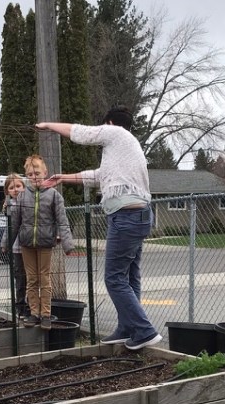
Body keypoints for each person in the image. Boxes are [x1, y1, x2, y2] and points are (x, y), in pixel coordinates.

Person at [37, 106, 162, 350]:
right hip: (138, 215)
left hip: (126, 217)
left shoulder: (115, 133)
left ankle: (144, 330)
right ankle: (128, 328)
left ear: (110, 123)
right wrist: (63, 177)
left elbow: (81, 133)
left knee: (114, 278)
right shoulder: (127, 148)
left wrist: (48, 125)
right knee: (129, 276)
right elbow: (98, 176)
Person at [9, 154, 74, 331]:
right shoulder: (22, 197)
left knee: (44, 279)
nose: (34, 177)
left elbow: (62, 221)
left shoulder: (54, 196)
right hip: (26, 244)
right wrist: (6, 242)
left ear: (45, 173)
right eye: (30, 174)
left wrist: (67, 243)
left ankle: (45, 314)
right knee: (31, 279)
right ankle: (34, 313)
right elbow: (14, 222)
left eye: (37, 173)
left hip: (45, 243)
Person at [0, 173, 30, 319]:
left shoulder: (29, 202)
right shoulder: (9, 206)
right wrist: (5, 244)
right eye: (12, 187)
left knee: (32, 278)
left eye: (18, 186)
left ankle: (31, 307)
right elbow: (9, 228)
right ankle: (21, 308)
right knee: (20, 278)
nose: (16, 190)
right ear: (7, 191)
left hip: (30, 245)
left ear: (24, 187)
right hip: (17, 247)